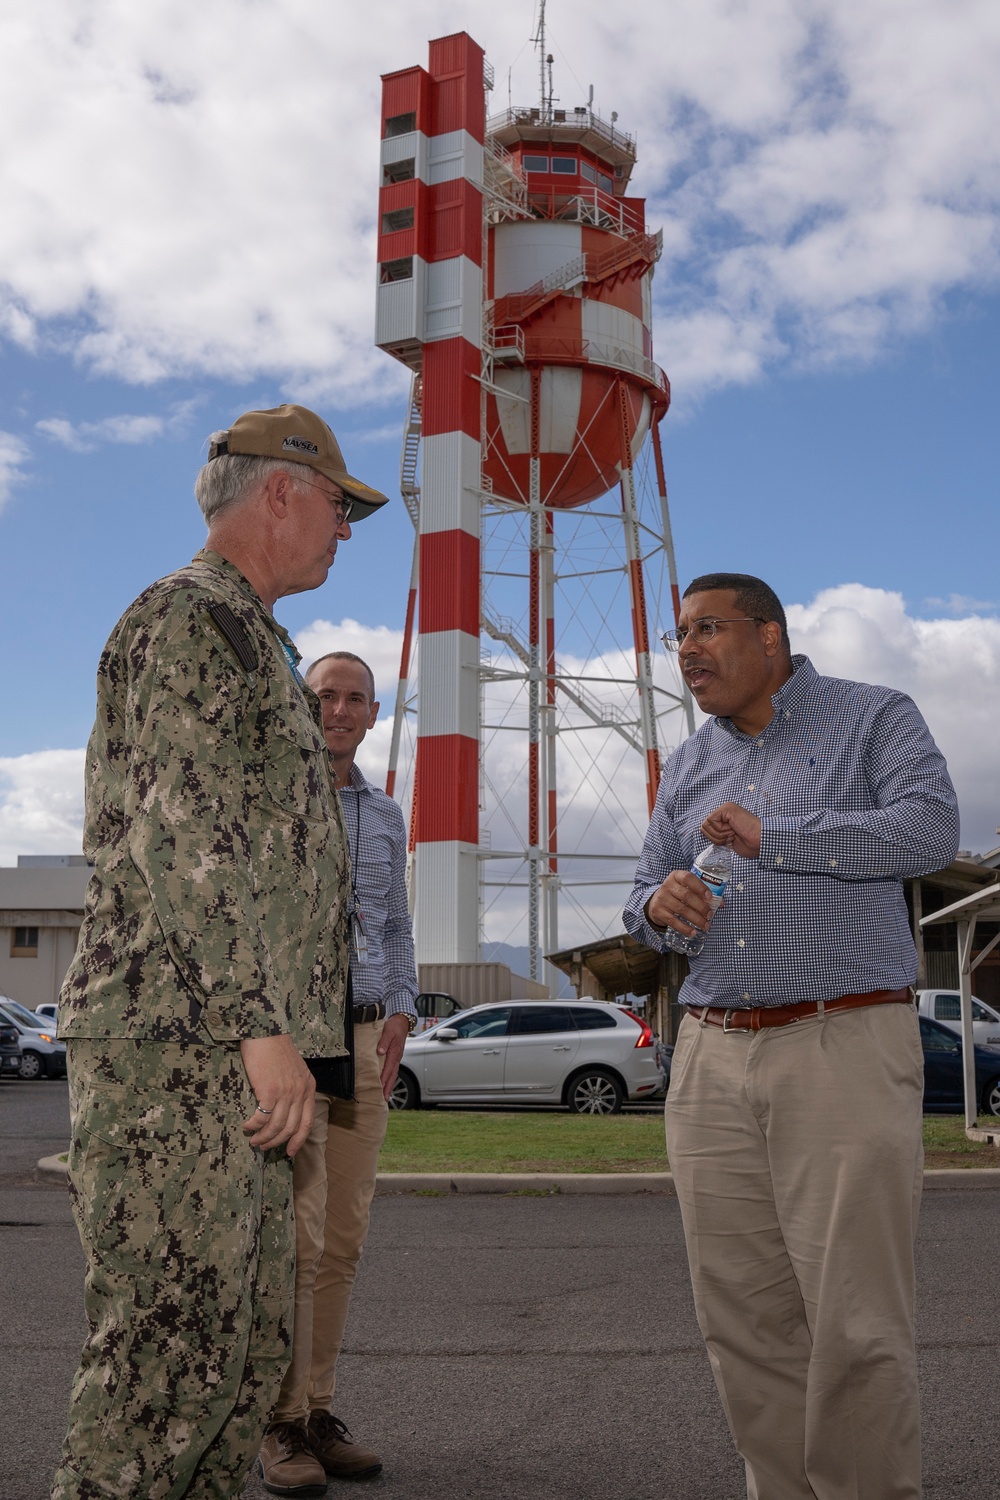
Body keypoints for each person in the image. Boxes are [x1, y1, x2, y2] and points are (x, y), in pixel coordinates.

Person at [51, 404, 389, 1500]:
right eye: (338, 506)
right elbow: (183, 838)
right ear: (279, 493)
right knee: (164, 1363)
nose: (344, 531)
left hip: (231, 1055)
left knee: (238, 1358)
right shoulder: (190, 621)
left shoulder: (257, 638)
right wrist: (260, 1030)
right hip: (179, 1047)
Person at [624, 572, 959, 1500]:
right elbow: (639, 892)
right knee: (742, 1319)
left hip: (839, 1041)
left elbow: (929, 829)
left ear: (770, 637)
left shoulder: (873, 717)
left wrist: (779, 837)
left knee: (854, 1318)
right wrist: (658, 905)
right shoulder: (690, 764)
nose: (688, 649)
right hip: (713, 1051)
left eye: (709, 628)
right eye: (679, 634)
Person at [257, 650, 418, 1496]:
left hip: (360, 1041)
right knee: (299, 1237)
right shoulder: (269, 793)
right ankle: (278, 1424)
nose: (341, 709)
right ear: (303, 701)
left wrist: (400, 1009)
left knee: (344, 1238)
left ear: (373, 712)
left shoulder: (386, 814)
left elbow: (394, 923)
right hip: (292, 1041)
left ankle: (318, 1409)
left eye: (356, 698)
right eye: (326, 694)